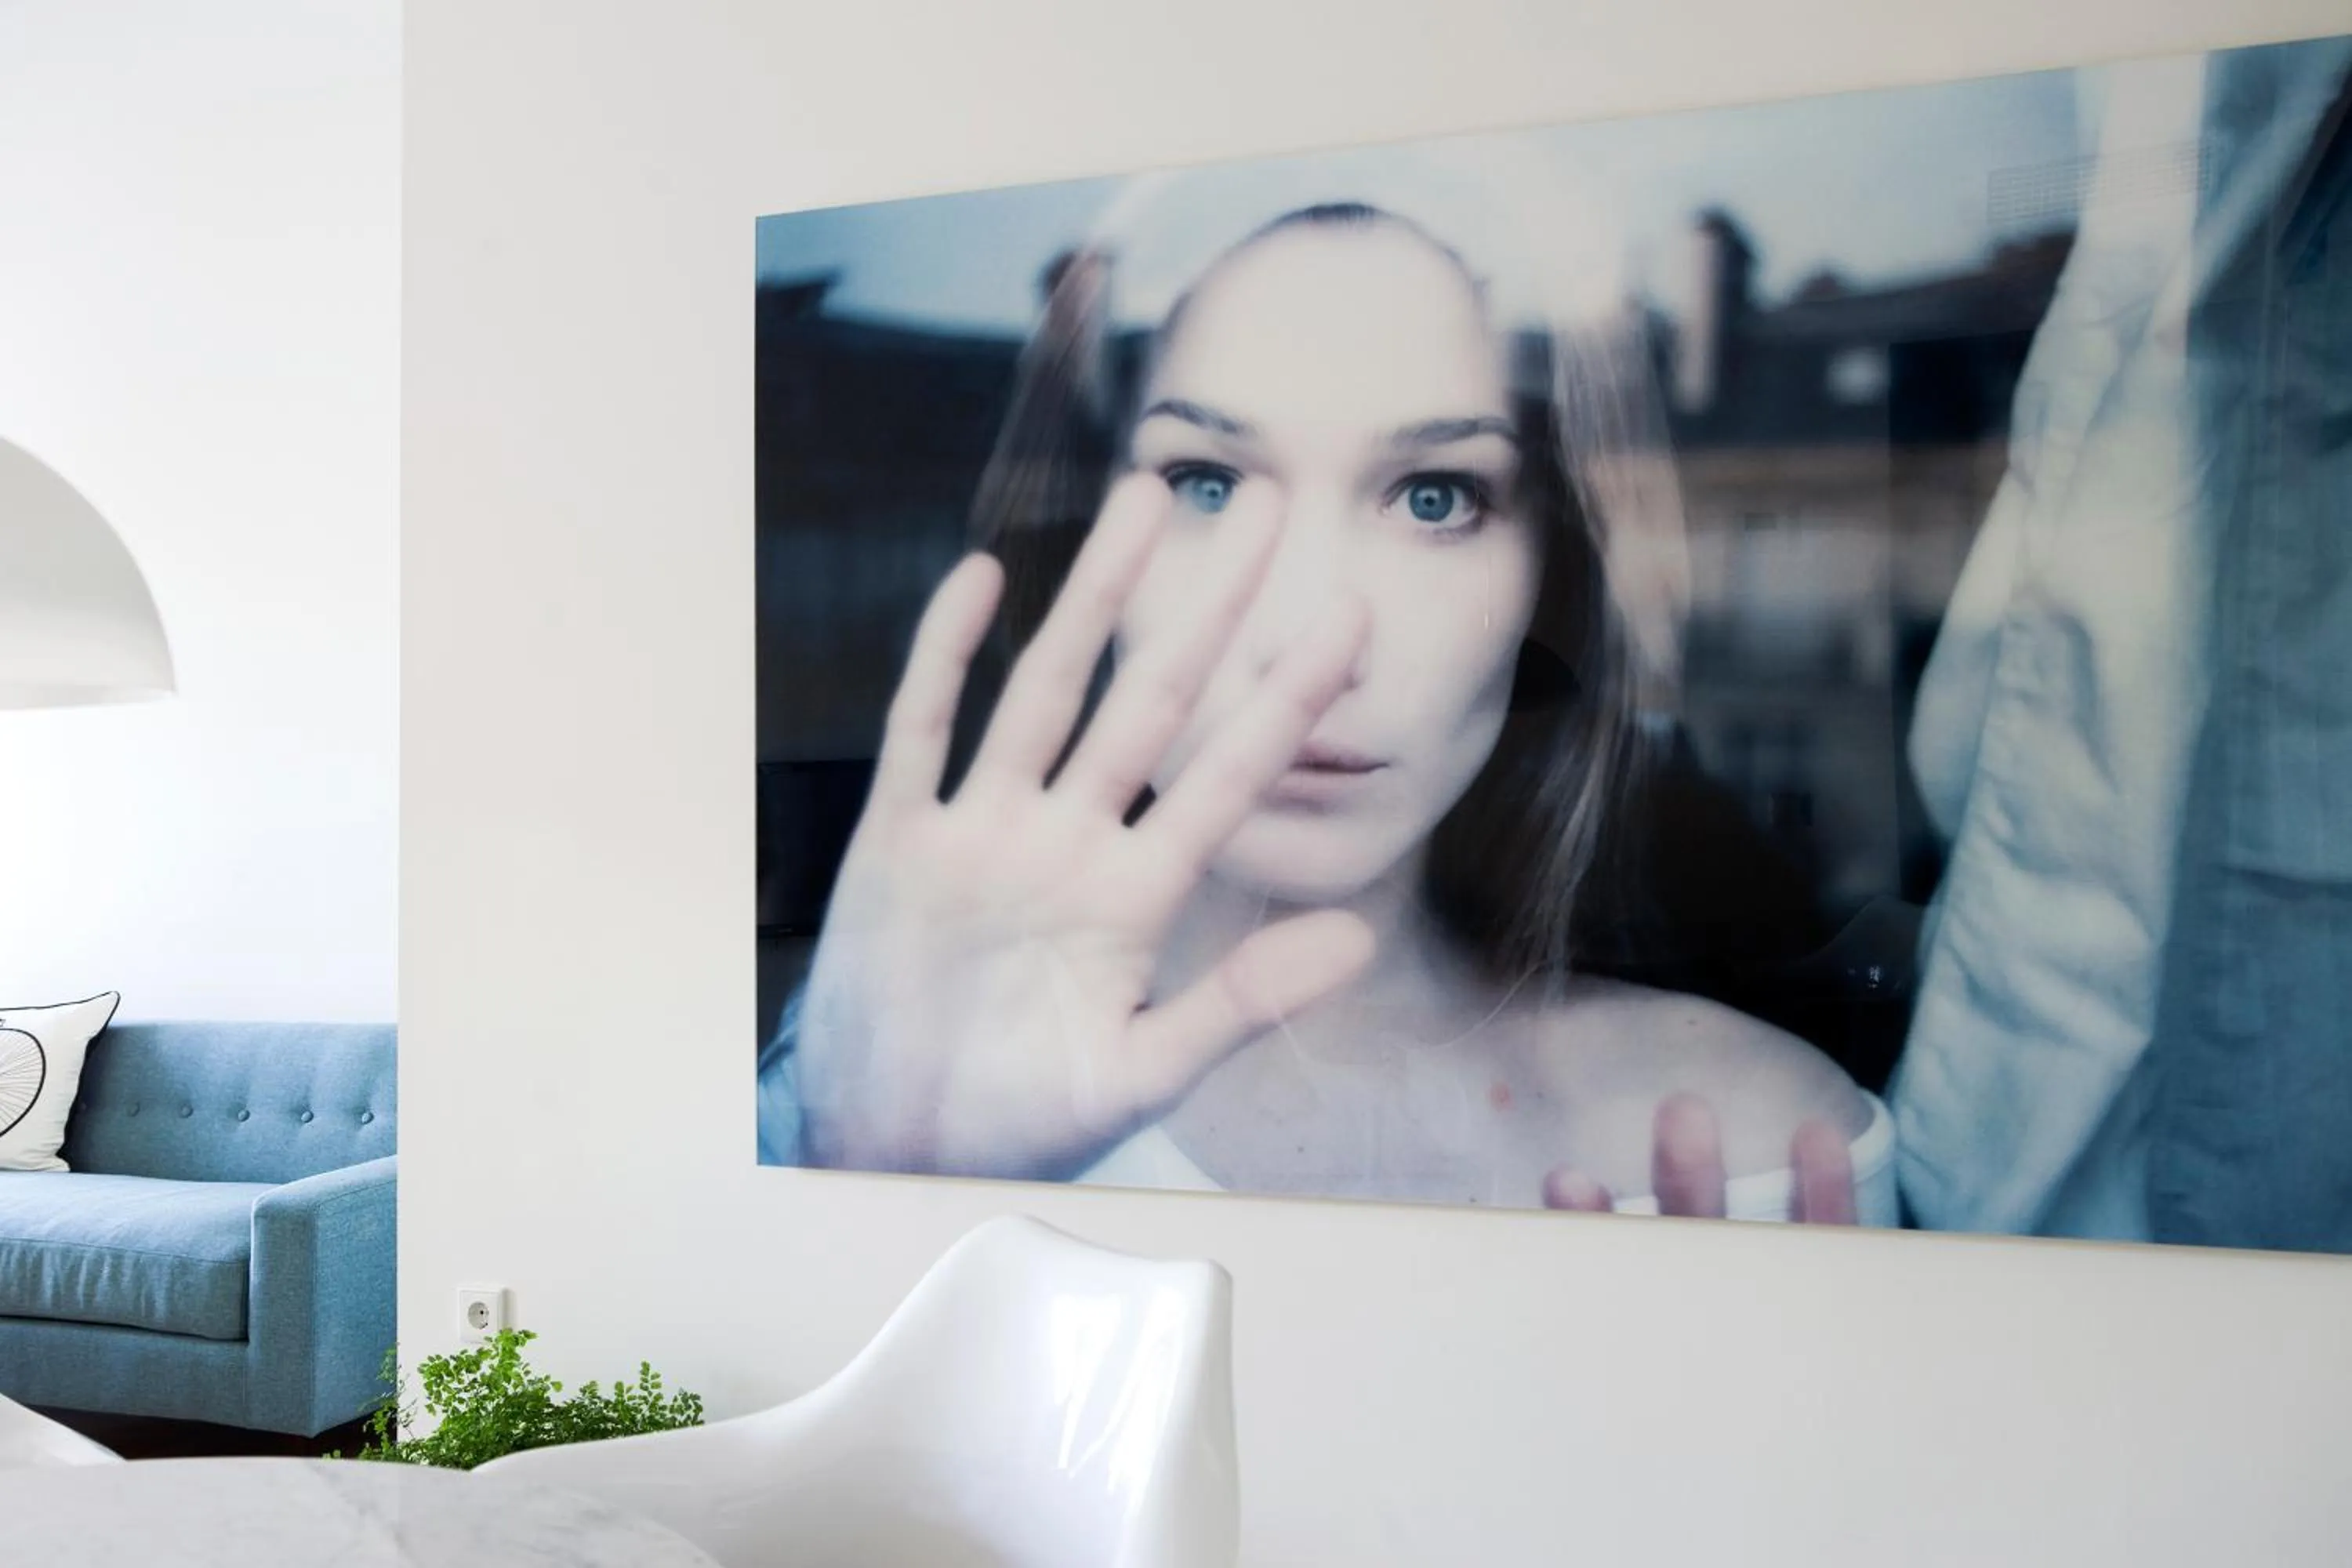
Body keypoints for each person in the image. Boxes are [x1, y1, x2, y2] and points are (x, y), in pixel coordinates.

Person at [759, 146, 1896, 1223]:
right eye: (1206, 484)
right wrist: (876, 1196)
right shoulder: (885, 1070)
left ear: (1554, 575)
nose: (1313, 641)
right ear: (1080, 546)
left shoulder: (1763, 1142)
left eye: (1436, 497)